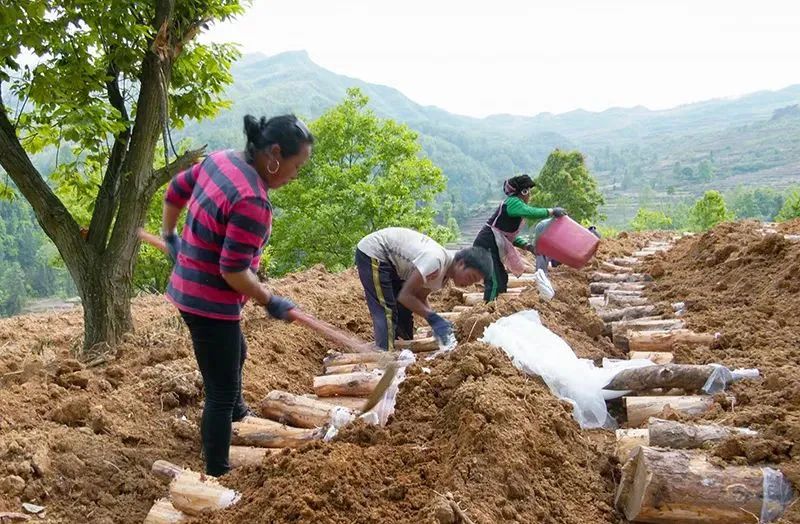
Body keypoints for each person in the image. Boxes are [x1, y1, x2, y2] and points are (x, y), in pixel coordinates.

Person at [160, 114, 314, 476]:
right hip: (209, 302)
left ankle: (238, 412)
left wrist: (170, 235)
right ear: (275, 153)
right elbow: (233, 271)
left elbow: (175, 190)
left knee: (235, 352)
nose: (295, 174)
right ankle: (217, 471)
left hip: (189, 287)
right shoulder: (253, 201)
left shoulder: (221, 159)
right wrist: (269, 299)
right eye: (296, 165)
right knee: (220, 391)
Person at [355, 227, 492, 351]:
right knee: (386, 311)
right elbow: (405, 295)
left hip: (394, 266)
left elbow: (419, 297)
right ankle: (384, 359)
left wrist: (435, 321)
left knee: (404, 311)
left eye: (474, 281)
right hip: (376, 252)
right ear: (461, 264)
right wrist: (433, 318)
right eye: (471, 277)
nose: (469, 284)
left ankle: (404, 351)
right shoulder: (436, 261)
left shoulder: (443, 276)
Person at [473, 175, 566, 302]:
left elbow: (509, 237)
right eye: (528, 191)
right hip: (486, 245)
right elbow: (530, 212)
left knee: (501, 278)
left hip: (492, 244)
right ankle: (488, 308)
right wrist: (551, 211)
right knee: (494, 280)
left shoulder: (514, 205)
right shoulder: (513, 202)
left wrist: (528, 246)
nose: (530, 195)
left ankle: (498, 305)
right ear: (523, 192)